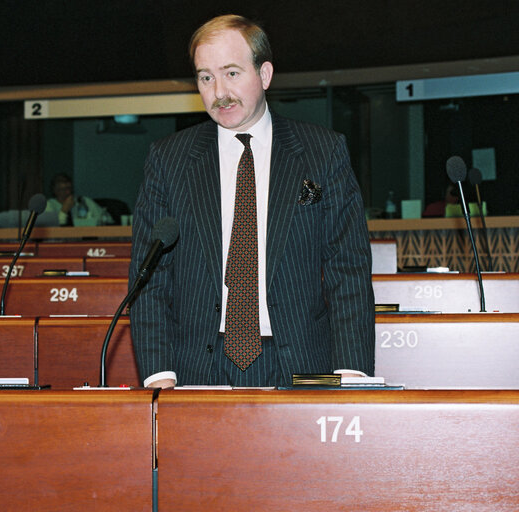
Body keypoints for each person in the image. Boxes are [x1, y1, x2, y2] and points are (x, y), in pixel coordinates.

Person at [129, 14, 375, 388]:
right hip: (196, 368)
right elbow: (150, 278)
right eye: (205, 77)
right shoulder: (168, 159)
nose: (219, 92)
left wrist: (352, 372)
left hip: (302, 364)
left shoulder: (323, 151)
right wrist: (159, 375)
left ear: (264, 75)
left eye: (231, 73)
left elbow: (348, 270)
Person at [44, 173, 109, 226]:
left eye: (69, 188)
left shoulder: (84, 201)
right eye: (63, 189)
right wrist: (64, 210)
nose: (68, 192)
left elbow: (106, 219)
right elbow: (54, 229)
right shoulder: (49, 205)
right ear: (55, 191)